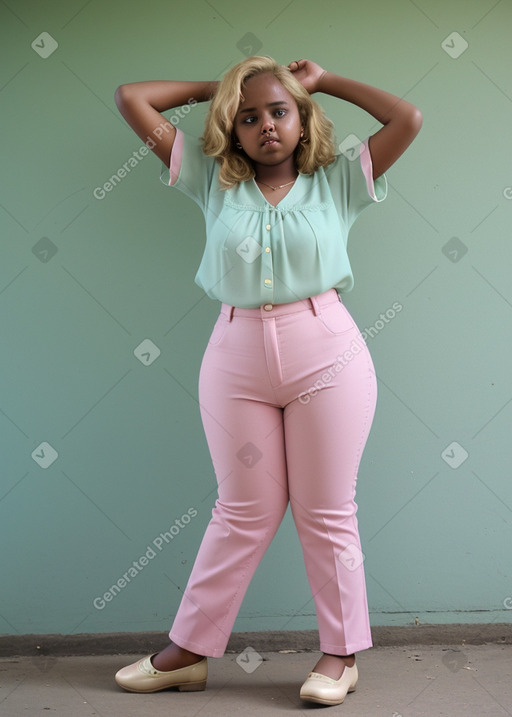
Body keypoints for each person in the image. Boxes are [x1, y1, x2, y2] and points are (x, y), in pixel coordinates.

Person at [113, 56, 422, 706]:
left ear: (302, 120)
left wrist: (326, 79)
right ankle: (188, 651)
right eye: (248, 116)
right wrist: (215, 89)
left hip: (327, 352)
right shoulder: (208, 180)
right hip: (235, 353)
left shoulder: (338, 181)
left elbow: (407, 118)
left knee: (328, 509)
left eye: (279, 110)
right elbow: (131, 97)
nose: (265, 125)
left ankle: (340, 655)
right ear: (233, 127)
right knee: (241, 510)